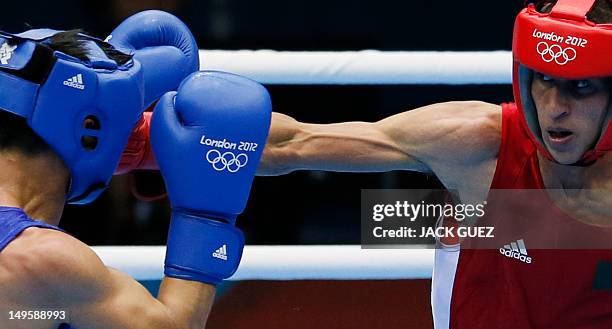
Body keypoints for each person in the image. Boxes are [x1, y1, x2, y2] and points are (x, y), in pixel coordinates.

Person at [119, 0, 612, 327]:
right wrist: (138, 140)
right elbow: (295, 145)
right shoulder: (481, 143)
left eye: (580, 85)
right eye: (541, 79)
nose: (553, 107)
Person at [0, 10, 266, 329]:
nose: (132, 140)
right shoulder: (40, 260)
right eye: (128, 124)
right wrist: (205, 215)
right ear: (89, 130)